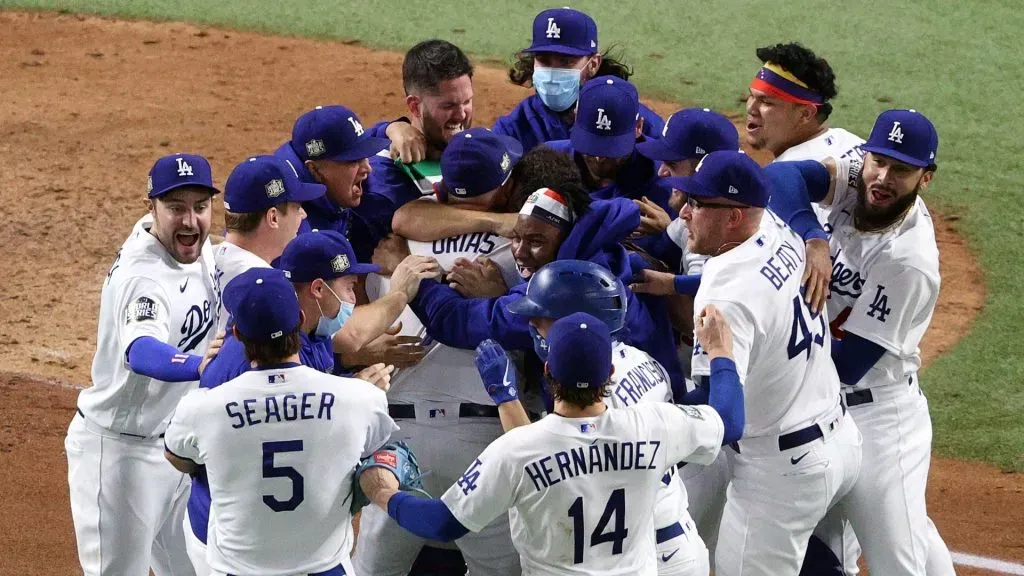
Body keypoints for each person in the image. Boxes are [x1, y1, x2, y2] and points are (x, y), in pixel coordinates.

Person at [358, 310, 744, 575]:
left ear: (547, 370)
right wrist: (721, 352)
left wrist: (384, 493)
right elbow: (730, 421)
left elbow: (441, 523)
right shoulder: (653, 425)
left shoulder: (518, 449)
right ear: (609, 372)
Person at [632, 151, 862, 576]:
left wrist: (646, 423)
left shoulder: (724, 296)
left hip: (780, 470)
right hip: (840, 439)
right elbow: (752, 283)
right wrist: (675, 284)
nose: (683, 213)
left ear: (734, 217)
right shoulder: (776, 227)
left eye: (698, 205)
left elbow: (720, 416)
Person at [766, 109, 956, 576]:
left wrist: (770, 349)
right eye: (879, 161)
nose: (884, 178)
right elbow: (778, 177)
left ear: (925, 178)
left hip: (877, 418)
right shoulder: (859, 176)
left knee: (896, 555)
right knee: (822, 539)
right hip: (822, 402)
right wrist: (813, 237)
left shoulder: (909, 261)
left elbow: (849, 363)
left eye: (902, 171)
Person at [183, 231, 438, 575]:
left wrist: (347, 381)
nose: (353, 297)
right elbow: (281, 426)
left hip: (265, 522)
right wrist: (351, 394)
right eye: (349, 286)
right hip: (237, 536)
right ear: (318, 290)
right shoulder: (262, 359)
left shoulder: (294, 334)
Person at [501, 259, 711, 576]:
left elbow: (541, 469)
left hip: (635, 554)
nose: (531, 324)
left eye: (541, 316)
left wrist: (505, 400)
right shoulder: (642, 360)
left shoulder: (593, 388)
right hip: (678, 539)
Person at [66, 153, 222, 575]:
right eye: (176, 208)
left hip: (175, 451)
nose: (191, 221)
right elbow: (142, 351)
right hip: (121, 456)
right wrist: (199, 367)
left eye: (200, 207)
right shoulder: (144, 279)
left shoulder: (202, 252)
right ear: (151, 208)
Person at [409, 182, 687, 399]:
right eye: (516, 237)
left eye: (536, 241)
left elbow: (453, 321)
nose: (519, 251)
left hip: (619, 432)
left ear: (567, 239)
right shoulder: (609, 257)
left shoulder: (569, 289)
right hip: (658, 406)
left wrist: (413, 274)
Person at [348, 39, 475, 262]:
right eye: (449, 106)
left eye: (467, 102)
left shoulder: (479, 153)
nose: (462, 115)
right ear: (415, 106)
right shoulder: (384, 187)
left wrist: (390, 126)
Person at [495, 6, 664, 153]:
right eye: (544, 60)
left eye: (566, 61)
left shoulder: (632, 121)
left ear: (593, 64)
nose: (553, 72)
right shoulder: (514, 128)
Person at [214, 154, 326, 333]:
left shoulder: (205, 259)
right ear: (273, 217)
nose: (303, 215)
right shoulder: (266, 289)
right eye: (297, 207)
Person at [746, 42, 862, 162]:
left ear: (805, 114)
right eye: (751, 96)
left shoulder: (787, 173)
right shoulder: (848, 140)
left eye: (766, 102)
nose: (751, 108)